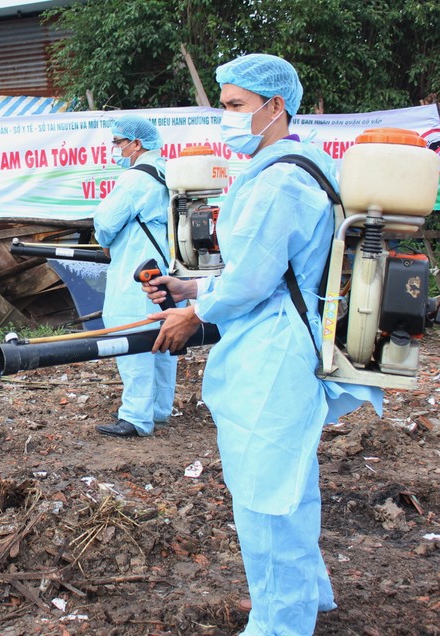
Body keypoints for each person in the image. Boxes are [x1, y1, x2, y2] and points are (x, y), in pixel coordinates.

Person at [143, 54, 382, 635]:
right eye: (222, 105)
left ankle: (280, 624)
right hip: (279, 339)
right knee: (288, 481)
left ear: (276, 106)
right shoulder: (298, 166)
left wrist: (193, 312)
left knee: (264, 492)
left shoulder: (281, 179)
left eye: (234, 106)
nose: (224, 117)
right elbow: (266, 270)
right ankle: (308, 595)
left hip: (274, 353)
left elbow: (250, 282)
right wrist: (187, 284)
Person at [92, 114, 177, 438]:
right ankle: (159, 409)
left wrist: (104, 239)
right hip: (167, 266)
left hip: (137, 266)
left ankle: (136, 417)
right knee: (164, 336)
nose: (115, 148)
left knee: (132, 336)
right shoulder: (168, 171)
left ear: (136, 144)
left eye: (118, 142)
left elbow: (107, 222)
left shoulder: (135, 178)